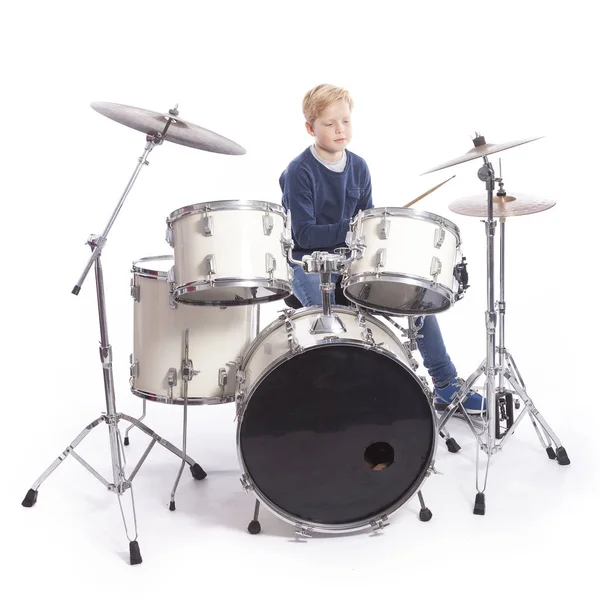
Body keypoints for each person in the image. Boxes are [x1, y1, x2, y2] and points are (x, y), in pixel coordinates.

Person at [279, 83, 486, 415]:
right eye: (330, 123)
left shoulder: (359, 167)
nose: (339, 130)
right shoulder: (299, 171)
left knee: (418, 301)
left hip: (352, 261)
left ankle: (446, 386)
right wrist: (353, 230)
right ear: (310, 128)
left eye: (345, 121)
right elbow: (303, 234)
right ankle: (343, 401)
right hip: (310, 265)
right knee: (336, 325)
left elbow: (366, 221)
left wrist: (374, 231)